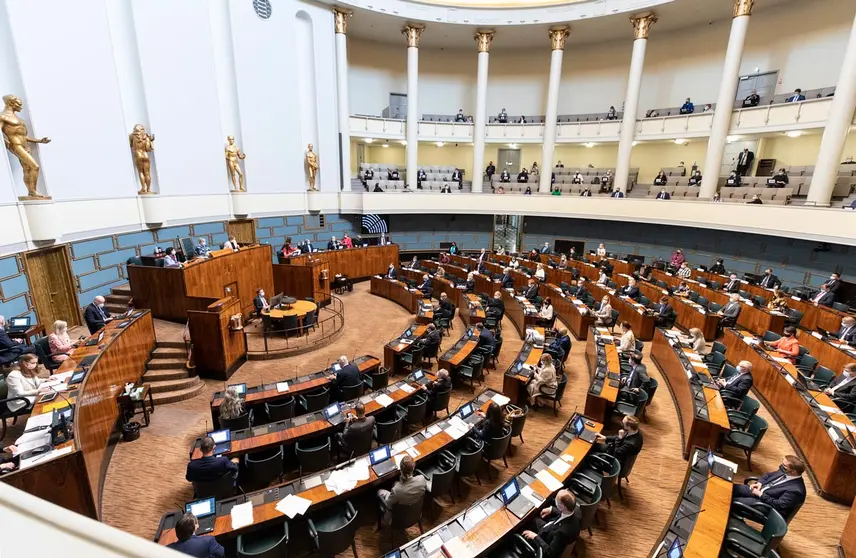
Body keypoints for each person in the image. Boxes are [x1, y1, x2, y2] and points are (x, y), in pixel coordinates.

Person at [731, 455, 806, 521]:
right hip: (760, 491)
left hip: (767, 506)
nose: (781, 466)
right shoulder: (785, 471)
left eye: (784, 466)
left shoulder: (796, 490)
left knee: (734, 501)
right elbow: (768, 475)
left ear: (793, 472)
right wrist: (760, 483)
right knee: (732, 489)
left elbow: (778, 505)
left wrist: (760, 494)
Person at [520, 489, 581, 558]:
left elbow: (551, 553)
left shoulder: (562, 533)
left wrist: (535, 537)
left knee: (520, 531)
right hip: (550, 527)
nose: (555, 500)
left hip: (544, 539)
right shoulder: (576, 510)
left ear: (561, 507)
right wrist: (551, 509)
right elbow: (565, 513)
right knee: (531, 518)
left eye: (556, 500)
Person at [377, 455, 428, 525]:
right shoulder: (421, 479)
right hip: (416, 513)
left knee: (379, 491)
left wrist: (387, 496)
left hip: (397, 521)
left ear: (401, 470)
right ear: (413, 468)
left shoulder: (396, 491)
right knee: (395, 483)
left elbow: (389, 505)